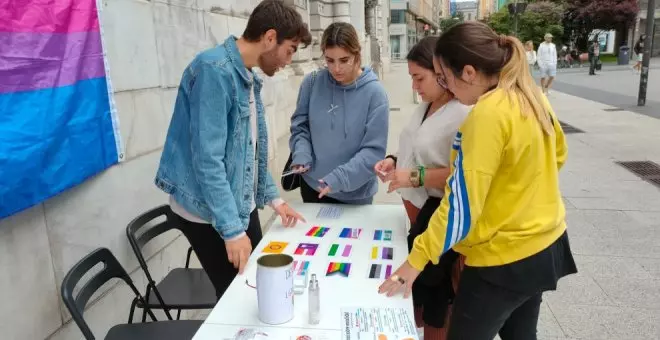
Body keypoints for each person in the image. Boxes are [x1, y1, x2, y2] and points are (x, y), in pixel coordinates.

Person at [379, 22, 577, 340]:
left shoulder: (487, 114)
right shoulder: (531, 95)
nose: (448, 88)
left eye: (447, 78)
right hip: (546, 246)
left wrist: (413, 263)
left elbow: (461, 205)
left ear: (469, 72)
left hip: (503, 260)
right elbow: (557, 157)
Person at [154, 0, 311, 299]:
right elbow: (208, 161)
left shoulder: (247, 76)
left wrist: (274, 199)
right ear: (269, 38)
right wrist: (231, 231)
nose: (288, 61)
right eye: (289, 50)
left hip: (239, 201)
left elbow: (250, 151)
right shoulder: (214, 71)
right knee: (239, 298)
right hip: (207, 211)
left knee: (260, 287)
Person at [374, 36, 470, 340]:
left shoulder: (463, 112)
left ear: (442, 73)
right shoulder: (427, 105)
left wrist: (414, 176)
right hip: (417, 212)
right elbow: (416, 145)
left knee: (440, 298)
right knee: (421, 290)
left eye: (420, 77)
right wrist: (393, 160)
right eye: (411, 78)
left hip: (441, 220)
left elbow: (464, 176)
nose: (415, 86)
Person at [288, 22, 389, 204]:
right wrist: (301, 154)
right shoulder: (311, 83)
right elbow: (300, 127)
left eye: (344, 60)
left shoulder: (375, 94)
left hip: (356, 195)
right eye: (329, 60)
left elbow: (373, 151)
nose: (336, 68)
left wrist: (339, 178)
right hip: (313, 188)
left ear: (357, 54)